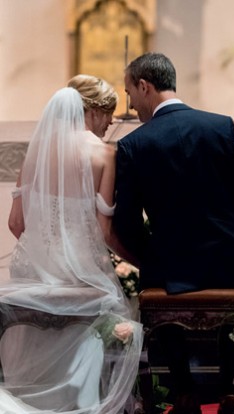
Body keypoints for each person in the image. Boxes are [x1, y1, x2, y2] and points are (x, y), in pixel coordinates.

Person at [113, 52, 234, 397]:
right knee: (232, 321)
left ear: (144, 86)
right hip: (230, 263)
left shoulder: (134, 144)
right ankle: (230, 393)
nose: (132, 106)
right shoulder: (221, 125)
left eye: (130, 94)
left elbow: (127, 221)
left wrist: (149, 257)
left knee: (156, 300)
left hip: (171, 269)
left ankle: (183, 395)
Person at [0, 75, 143, 413]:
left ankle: (30, 399)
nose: (110, 122)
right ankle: (82, 400)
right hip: (82, 271)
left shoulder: (35, 154)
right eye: (107, 112)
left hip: (35, 269)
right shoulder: (104, 154)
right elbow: (104, 232)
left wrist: (45, 253)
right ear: (90, 110)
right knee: (119, 309)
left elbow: (15, 224)